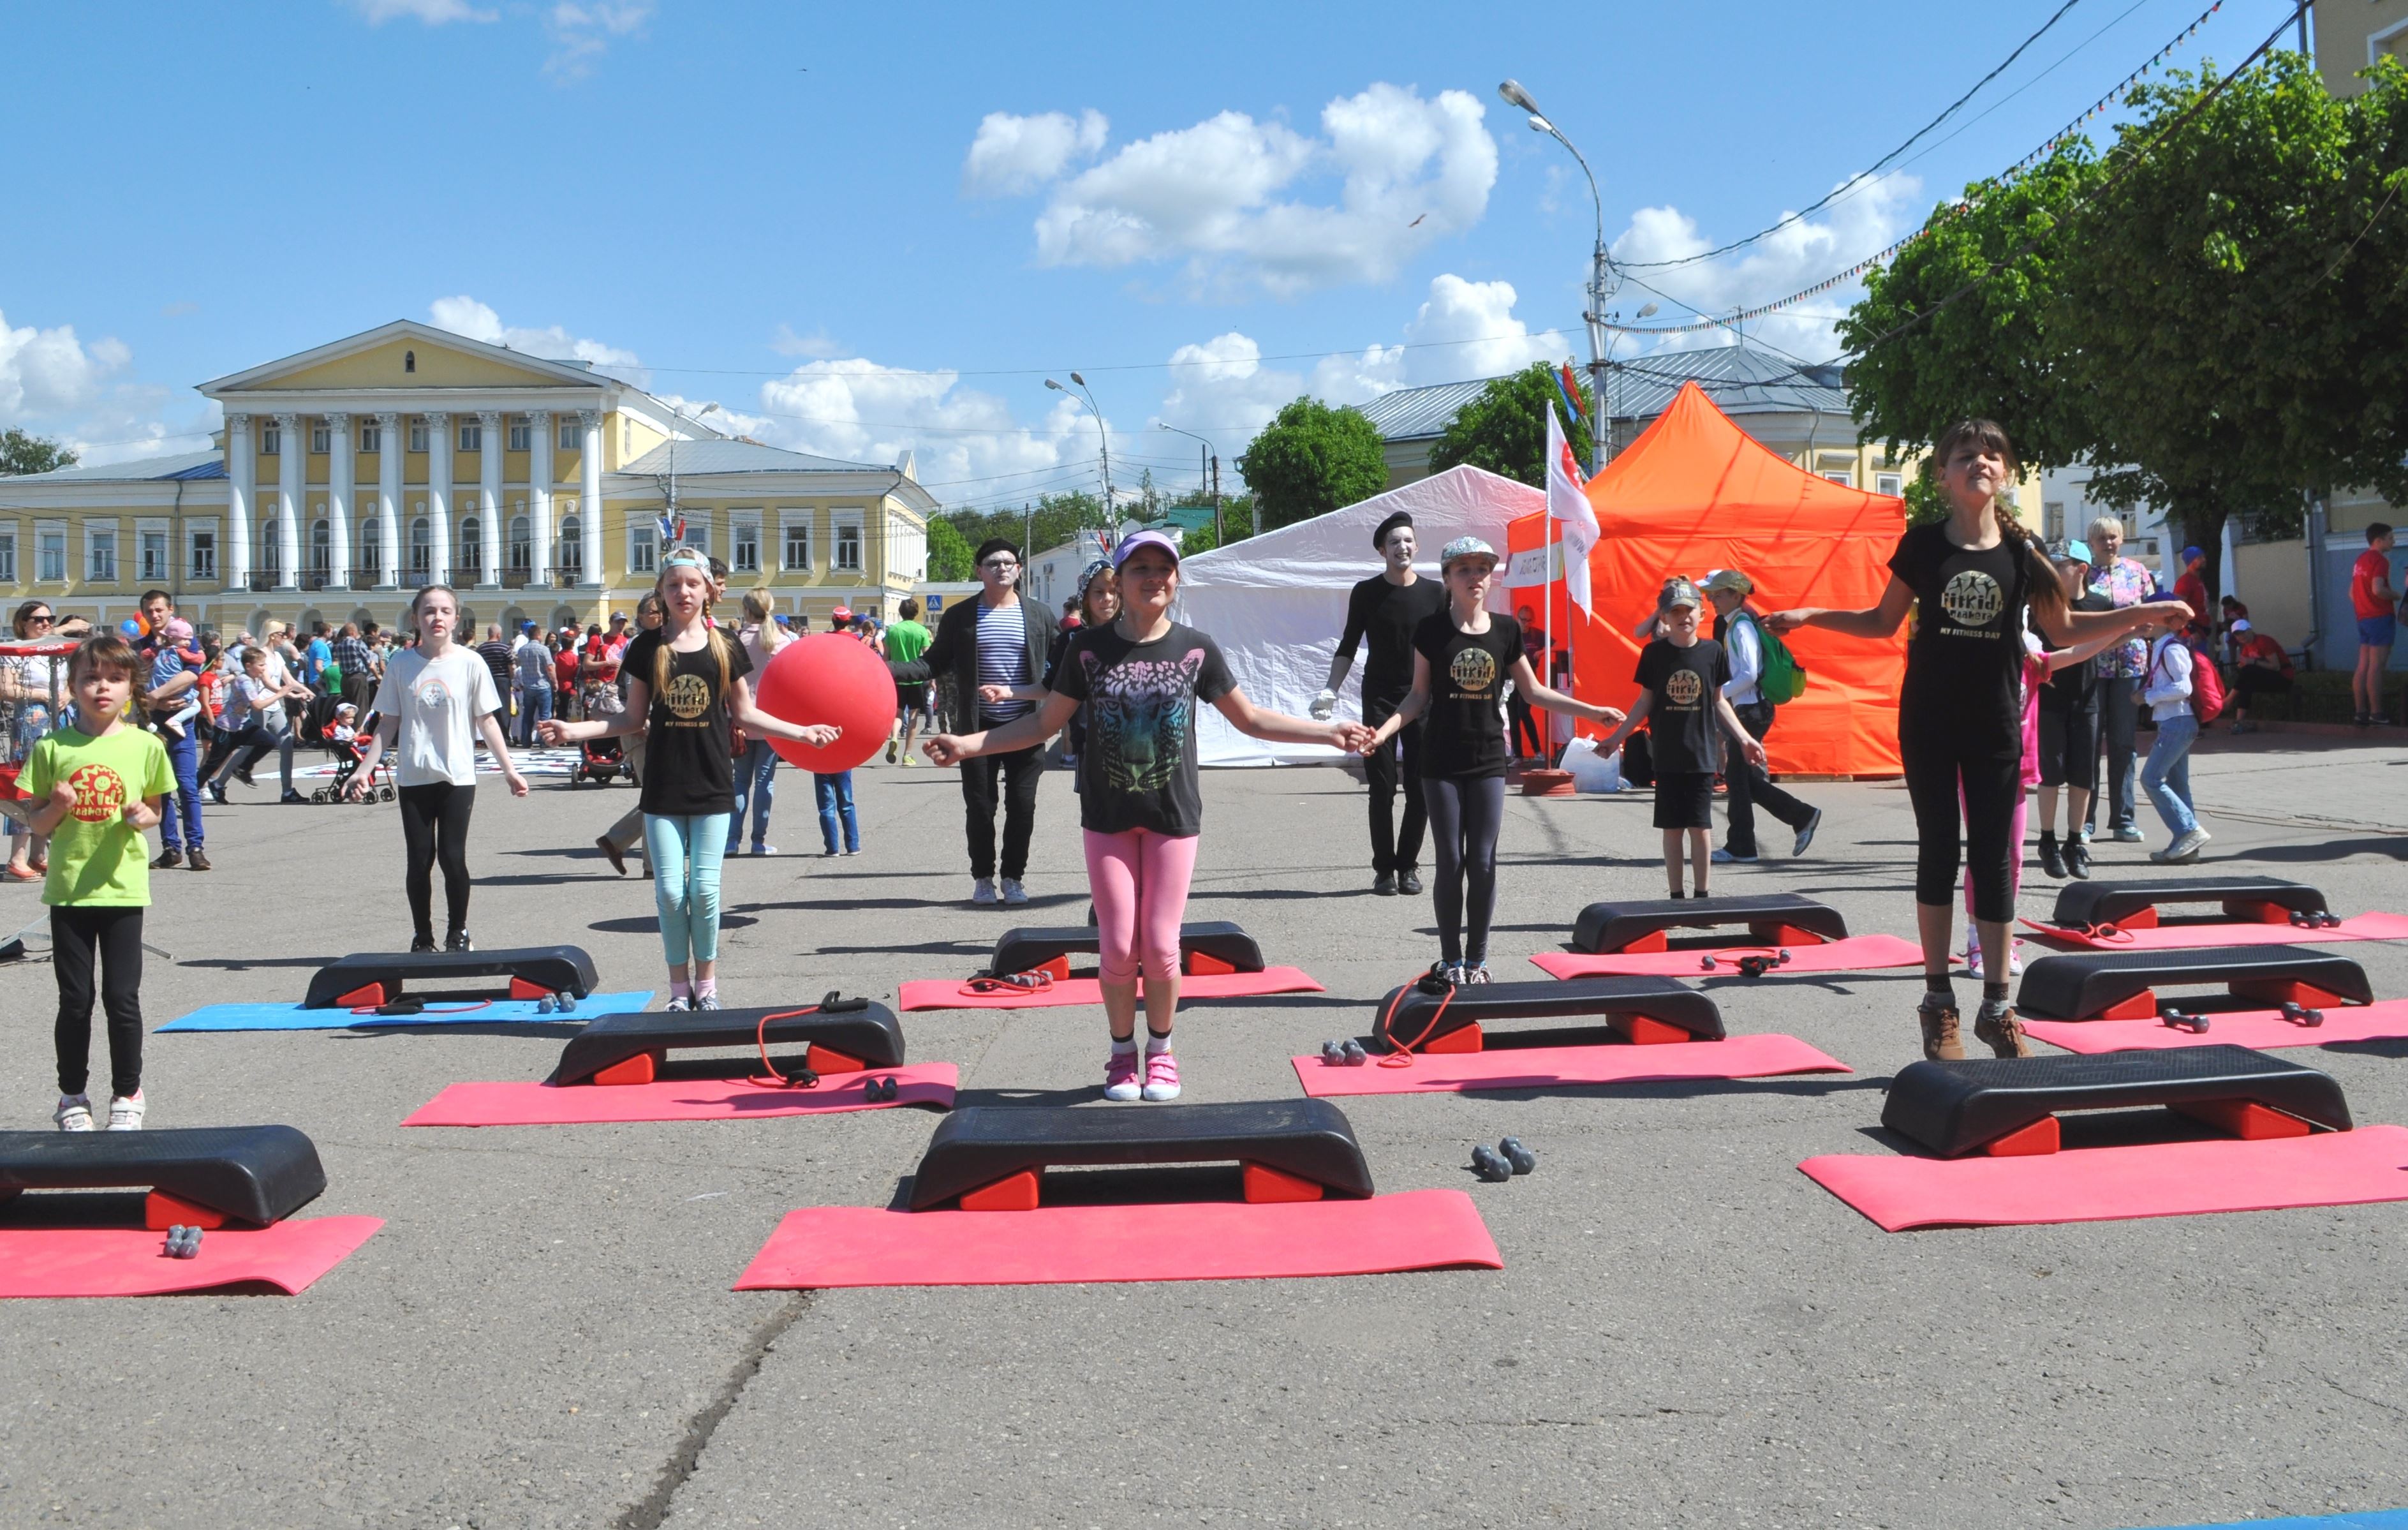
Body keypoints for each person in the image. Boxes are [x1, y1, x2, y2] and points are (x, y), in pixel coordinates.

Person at [1767, 420, 2189, 1061]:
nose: (1979, 462)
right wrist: (1808, 615)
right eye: (1964, 455)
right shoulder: (1921, 546)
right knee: (1938, 851)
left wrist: (2143, 613)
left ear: (2007, 475)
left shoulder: (2022, 556)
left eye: (1991, 454)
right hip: (1929, 721)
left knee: (1993, 861)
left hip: (1994, 722)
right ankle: (1938, 1003)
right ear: (1942, 476)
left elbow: (2063, 626)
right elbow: (1882, 622)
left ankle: (1996, 1006)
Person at [927, 531, 1369, 1099]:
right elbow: (1041, 727)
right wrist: (969, 744)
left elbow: (1252, 721)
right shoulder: (1087, 650)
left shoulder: (1196, 648)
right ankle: (1119, 1055)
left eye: (1164, 567)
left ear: (1176, 579)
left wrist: (1327, 733)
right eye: (1140, 567)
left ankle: (1160, 1051)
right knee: (1116, 946)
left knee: (1160, 946)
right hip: (1107, 815)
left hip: (1172, 814)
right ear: (1120, 578)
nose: (1153, 576)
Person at [543, 551, 838, 1010]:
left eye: (692, 584)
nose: (683, 592)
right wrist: (573, 730)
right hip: (661, 785)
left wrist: (801, 732)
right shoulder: (646, 648)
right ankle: (678, 990)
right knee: (668, 891)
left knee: (703, 891)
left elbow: (745, 714)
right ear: (661, 592)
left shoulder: (725, 645)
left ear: (708, 591)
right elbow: (631, 719)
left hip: (713, 782)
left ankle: (708, 987)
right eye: (673, 585)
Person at [1361, 538, 1623, 983]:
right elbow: (1417, 695)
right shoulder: (1430, 630)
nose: (1474, 577)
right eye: (1463, 569)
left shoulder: (1506, 630)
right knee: (1450, 860)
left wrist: (1590, 711)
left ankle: (1477, 962)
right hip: (1439, 760)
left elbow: (1533, 692)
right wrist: (1381, 734)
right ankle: (1449, 961)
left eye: (1482, 569)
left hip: (1486, 760)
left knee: (1482, 861)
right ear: (1447, 578)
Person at [20, 633, 173, 1131]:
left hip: (123, 888)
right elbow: (37, 825)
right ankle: (72, 1098)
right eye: (90, 678)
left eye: (114, 678)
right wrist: (58, 806)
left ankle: (127, 1093)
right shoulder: (51, 747)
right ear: (72, 686)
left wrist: (142, 818)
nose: (101, 688)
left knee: (121, 998)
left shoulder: (146, 746)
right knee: (76, 1000)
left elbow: (155, 810)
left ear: (131, 687)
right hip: (69, 890)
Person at [347, 585, 530, 952]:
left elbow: (488, 722)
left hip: (457, 777)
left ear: (456, 619)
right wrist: (363, 770)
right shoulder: (401, 664)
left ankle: (458, 932)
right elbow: (387, 723)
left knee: (452, 856)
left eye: (445, 611)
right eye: (429, 611)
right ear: (415, 619)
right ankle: (423, 936)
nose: (437, 618)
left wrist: (509, 769)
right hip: (414, 776)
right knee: (419, 859)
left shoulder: (470, 662)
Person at [885, 538, 1058, 905]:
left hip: (1026, 729)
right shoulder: (961, 616)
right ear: (979, 571)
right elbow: (931, 664)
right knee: (981, 807)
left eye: (1010, 562)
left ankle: (1013, 877)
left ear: (1020, 570)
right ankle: (983, 878)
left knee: (1022, 807)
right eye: (993, 563)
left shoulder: (1039, 614)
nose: (1003, 568)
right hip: (976, 730)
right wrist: (885, 671)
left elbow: (1062, 665)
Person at [1593, 578, 1767, 903]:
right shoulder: (1654, 654)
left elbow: (1719, 701)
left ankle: (1702, 897)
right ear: (1665, 617)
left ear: (1702, 614)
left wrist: (1744, 739)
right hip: (1667, 754)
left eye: (1690, 610)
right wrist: (1616, 737)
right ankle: (1676, 898)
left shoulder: (1713, 651)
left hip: (1700, 756)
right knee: (1672, 830)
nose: (1683, 617)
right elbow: (1643, 701)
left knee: (1700, 828)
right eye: (1675, 612)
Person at [1317, 511, 1447, 896]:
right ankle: (1384, 870)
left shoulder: (1436, 593)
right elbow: (1348, 644)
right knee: (1382, 785)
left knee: (1421, 786)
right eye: (1394, 542)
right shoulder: (1367, 592)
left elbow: (1448, 645)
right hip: (1379, 696)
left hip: (1423, 697)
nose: (1402, 547)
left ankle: (1408, 865)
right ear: (1382, 551)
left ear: (1417, 547)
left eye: (1408, 540)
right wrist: (1330, 689)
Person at [1699, 568, 1822, 864]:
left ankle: (1745, 845)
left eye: (1719, 594)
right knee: (1742, 780)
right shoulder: (1736, 623)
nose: (1713, 600)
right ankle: (1798, 817)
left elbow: (1749, 674)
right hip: (1749, 709)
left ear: (1736, 595)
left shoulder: (1741, 626)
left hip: (1750, 710)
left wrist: (1716, 694)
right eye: (1711, 594)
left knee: (1738, 780)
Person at [2034, 540, 2110, 880]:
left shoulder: (2099, 605)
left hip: (2086, 701)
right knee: (2051, 774)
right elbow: (2029, 647)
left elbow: (2109, 638)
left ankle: (2075, 843)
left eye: (2059, 565)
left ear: (2081, 569)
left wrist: (2134, 629)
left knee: (2083, 775)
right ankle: (2047, 841)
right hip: (2050, 702)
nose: (2052, 571)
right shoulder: (2042, 605)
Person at [2083, 517, 2157, 843]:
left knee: (2123, 744)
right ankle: (2084, 821)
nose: (2108, 543)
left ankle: (2124, 819)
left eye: (2113, 537)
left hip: (2130, 666)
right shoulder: (2084, 574)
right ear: (2091, 542)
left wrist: (2150, 627)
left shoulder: (2138, 572)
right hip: (2092, 666)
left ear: (2122, 539)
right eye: (2101, 538)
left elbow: (2152, 610)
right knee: (2089, 744)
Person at [595, 593, 665, 874]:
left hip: (651, 730)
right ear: (641, 616)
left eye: (661, 611)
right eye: (653, 611)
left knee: (658, 796)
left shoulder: (662, 639)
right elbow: (629, 693)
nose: (659, 615)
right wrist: (644, 723)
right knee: (655, 798)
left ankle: (616, 841)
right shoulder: (640, 644)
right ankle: (651, 864)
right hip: (639, 730)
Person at [137, 593, 207, 871]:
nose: (154, 615)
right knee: (161, 789)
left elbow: (191, 675)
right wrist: (151, 700)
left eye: (159, 610)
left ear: (170, 610)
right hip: (153, 724)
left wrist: (157, 695)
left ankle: (196, 847)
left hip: (180, 722)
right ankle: (170, 848)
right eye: (149, 611)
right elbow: (133, 681)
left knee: (187, 786)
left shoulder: (185, 640)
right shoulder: (141, 647)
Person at [3, 600, 68, 882]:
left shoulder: (57, 651)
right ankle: (17, 858)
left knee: (50, 787)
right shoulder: (16, 652)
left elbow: (73, 682)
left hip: (61, 718)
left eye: (50, 619)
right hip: (32, 719)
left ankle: (38, 854)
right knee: (27, 787)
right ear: (23, 624)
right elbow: (5, 687)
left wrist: (69, 695)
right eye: (38, 619)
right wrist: (42, 695)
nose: (46, 624)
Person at [199, 646, 309, 804]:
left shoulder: (253, 677)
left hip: (241, 724)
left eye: (265, 665)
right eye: (262, 665)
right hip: (227, 728)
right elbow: (257, 705)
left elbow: (270, 683)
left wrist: (293, 694)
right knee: (213, 764)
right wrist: (281, 694)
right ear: (249, 666)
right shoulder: (245, 682)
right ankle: (188, 795)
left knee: (267, 741)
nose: (265, 668)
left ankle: (242, 768)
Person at [2143, 616, 2211, 864]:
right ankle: (2187, 848)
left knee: (2150, 779)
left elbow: (2184, 688)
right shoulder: (2162, 647)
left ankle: (2189, 831)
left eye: (2149, 618)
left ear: (2165, 622)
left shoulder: (2172, 649)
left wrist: (2149, 696)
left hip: (2178, 722)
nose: (2145, 623)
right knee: (2178, 784)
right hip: (2174, 722)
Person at [728, 588, 788, 856]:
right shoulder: (782, 641)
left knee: (740, 781)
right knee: (766, 781)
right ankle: (758, 841)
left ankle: (731, 842)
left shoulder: (736, 640)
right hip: (770, 720)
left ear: (746, 610)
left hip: (739, 718)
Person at [2350, 523, 2397, 727]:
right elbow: (2378, 589)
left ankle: (2360, 712)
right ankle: (2377, 713)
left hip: (2363, 618)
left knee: (2363, 666)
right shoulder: (2380, 560)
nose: (2393, 541)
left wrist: (2364, 604)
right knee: (2376, 667)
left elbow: (2352, 593)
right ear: (2378, 540)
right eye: (2390, 537)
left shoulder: (2360, 560)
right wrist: (2396, 595)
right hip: (2380, 617)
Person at [883, 596, 933, 766]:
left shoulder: (893, 631)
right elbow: (928, 657)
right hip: (915, 678)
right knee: (913, 717)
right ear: (916, 612)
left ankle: (895, 737)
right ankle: (907, 755)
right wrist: (932, 679)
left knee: (897, 714)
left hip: (896, 677)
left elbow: (886, 657)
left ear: (900, 612)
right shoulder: (921, 631)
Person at [2227, 618, 2292, 734]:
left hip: (2283, 678)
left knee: (2248, 671)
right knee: (2246, 684)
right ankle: (2239, 722)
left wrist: (2253, 662)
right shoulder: (2246, 648)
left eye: (2243, 633)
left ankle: (2228, 700)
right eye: (2238, 635)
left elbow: (2276, 666)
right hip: (2266, 680)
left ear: (2250, 630)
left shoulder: (2264, 641)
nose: (2241, 637)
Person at [513, 629, 555, 748]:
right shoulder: (544, 649)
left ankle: (526, 741)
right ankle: (545, 741)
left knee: (528, 715)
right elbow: (550, 668)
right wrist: (555, 682)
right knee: (545, 716)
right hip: (543, 685)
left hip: (528, 687)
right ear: (537, 635)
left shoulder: (522, 650)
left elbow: (519, 666)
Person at [330, 621, 379, 720]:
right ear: (353, 633)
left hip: (345, 678)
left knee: (348, 706)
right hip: (358, 677)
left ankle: (348, 728)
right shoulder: (358, 644)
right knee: (360, 706)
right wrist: (378, 676)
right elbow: (370, 662)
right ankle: (360, 731)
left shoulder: (339, 645)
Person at [475, 624, 514, 734]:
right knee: (504, 708)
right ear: (499, 634)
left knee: (490, 707)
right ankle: (505, 735)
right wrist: (511, 678)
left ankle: (492, 733)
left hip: (487, 681)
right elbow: (511, 666)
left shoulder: (481, 649)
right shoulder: (504, 648)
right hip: (503, 680)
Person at [2173, 545, 2210, 621]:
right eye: (2200, 558)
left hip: (2202, 627)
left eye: (2204, 557)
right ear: (2191, 561)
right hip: (2193, 629)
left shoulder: (2198, 580)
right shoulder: (2185, 581)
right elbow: (2178, 608)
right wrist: (2191, 630)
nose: (2204, 560)